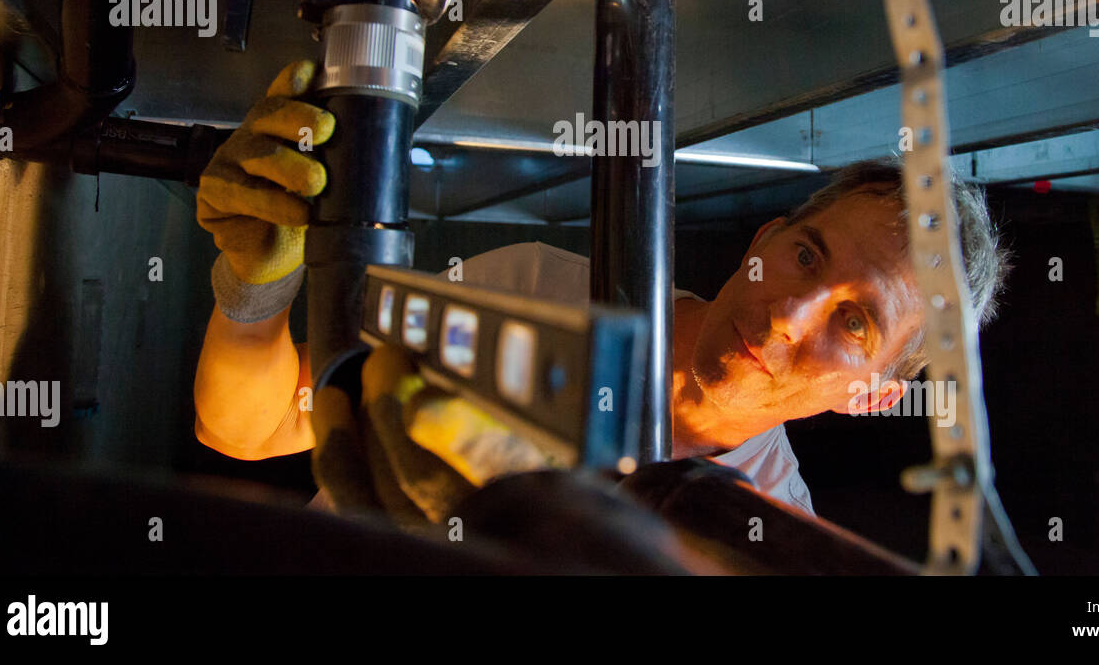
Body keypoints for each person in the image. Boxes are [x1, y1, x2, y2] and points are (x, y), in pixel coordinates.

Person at [194, 61, 1010, 515]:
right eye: (805, 255)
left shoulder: (769, 526)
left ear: (870, 398)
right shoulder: (531, 288)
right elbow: (252, 429)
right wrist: (255, 288)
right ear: (763, 241)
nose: (791, 312)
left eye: (856, 323)